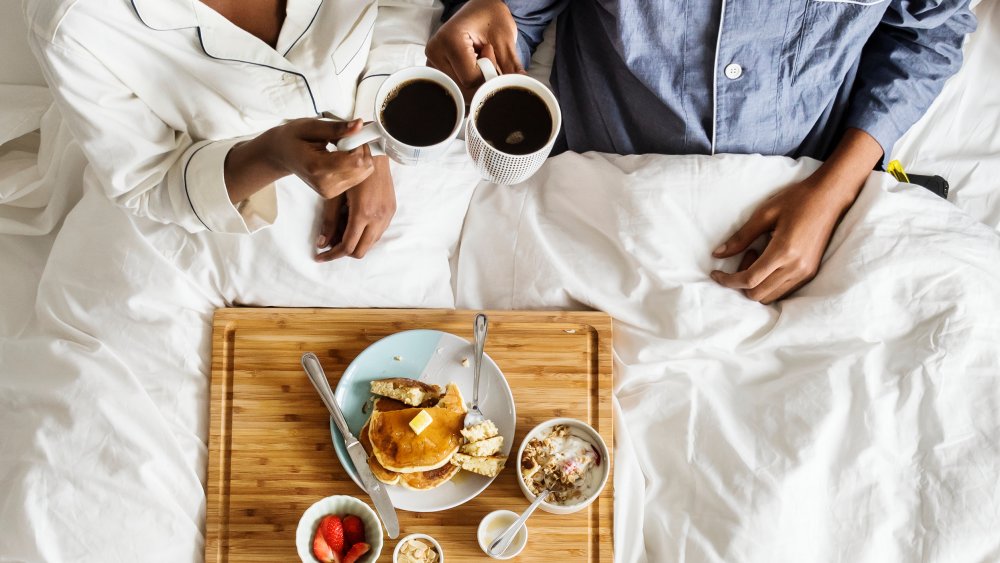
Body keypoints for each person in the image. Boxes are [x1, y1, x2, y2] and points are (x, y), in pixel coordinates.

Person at [427, 0, 976, 303]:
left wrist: (834, 191)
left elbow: (926, 36)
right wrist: (483, 14)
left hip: (810, 202)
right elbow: (512, 17)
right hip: (605, 206)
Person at [26, 0, 434, 261]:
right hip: (237, 218)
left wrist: (374, 136)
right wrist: (271, 154)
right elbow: (149, 182)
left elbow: (404, 8)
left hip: (415, 126)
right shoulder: (73, 23)